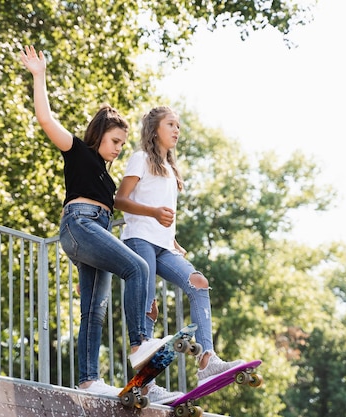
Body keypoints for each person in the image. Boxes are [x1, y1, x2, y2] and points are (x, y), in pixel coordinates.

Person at [19, 46, 174, 402]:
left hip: (95, 234)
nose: (119, 148)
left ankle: (88, 379)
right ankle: (140, 343)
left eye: (122, 143)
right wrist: (39, 76)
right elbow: (45, 120)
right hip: (79, 225)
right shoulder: (78, 152)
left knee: (94, 310)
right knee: (136, 267)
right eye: (115, 141)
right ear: (100, 135)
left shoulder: (106, 178)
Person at [114, 105, 245, 386]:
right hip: (140, 240)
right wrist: (154, 214)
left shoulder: (171, 170)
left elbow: (163, 213)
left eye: (178, 126)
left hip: (163, 246)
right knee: (148, 303)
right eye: (171, 124)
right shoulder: (141, 158)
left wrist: (171, 238)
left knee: (198, 281)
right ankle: (144, 381)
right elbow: (120, 200)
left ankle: (207, 358)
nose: (176, 130)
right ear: (155, 129)